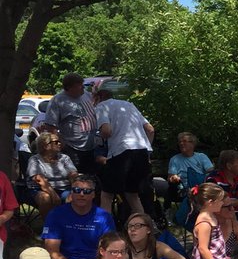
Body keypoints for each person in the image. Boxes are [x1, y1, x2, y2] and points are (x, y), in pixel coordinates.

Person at [41, 174, 116, 259]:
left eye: (86, 191)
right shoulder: (56, 215)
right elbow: (51, 251)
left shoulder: (104, 217)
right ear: (71, 193)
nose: (81, 194)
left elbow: (110, 248)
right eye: (77, 190)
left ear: (93, 194)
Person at [93, 83, 154, 214]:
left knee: (107, 195)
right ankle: (145, 230)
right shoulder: (129, 105)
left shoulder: (101, 106)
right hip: (141, 151)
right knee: (132, 195)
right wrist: (148, 153)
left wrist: (101, 137)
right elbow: (150, 129)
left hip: (121, 151)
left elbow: (106, 130)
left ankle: (107, 231)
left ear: (99, 97)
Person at [41, 74, 98, 175]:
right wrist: (62, 144)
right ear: (69, 88)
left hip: (92, 146)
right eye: (79, 86)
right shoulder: (58, 100)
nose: (83, 88)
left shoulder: (86, 95)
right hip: (73, 148)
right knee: (77, 177)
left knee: (91, 178)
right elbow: (50, 126)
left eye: (82, 84)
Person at [25, 131, 78, 216]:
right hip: (40, 189)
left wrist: (74, 188)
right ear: (46, 146)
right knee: (45, 198)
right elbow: (39, 180)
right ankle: (49, 226)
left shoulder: (64, 158)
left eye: (60, 141)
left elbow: (73, 175)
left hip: (64, 188)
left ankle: (68, 225)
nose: (59, 144)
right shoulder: (35, 160)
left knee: (72, 197)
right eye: (56, 142)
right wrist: (53, 194)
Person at [167, 132, 213, 196]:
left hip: (202, 187)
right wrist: (174, 178)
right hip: (184, 188)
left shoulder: (201, 157)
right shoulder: (175, 159)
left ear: (193, 144)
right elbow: (170, 177)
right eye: (180, 142)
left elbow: (211, 171)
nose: (181, 143)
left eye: (185, 141)